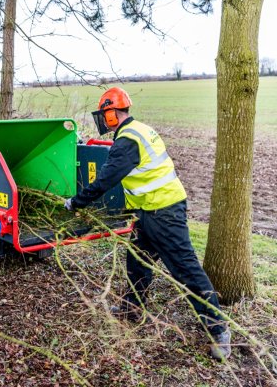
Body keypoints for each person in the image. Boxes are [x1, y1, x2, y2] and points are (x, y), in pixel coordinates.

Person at [64, 87, 231, 360]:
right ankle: (132, 307)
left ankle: (219, 329)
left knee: (185, 270)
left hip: (163, 212)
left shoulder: (127, 140)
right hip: (148, 211)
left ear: (113, 113)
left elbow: (106, 179)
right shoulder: (138, 130)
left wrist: (76, 202)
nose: (104, 121)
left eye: (105, 115)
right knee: (137, 259)